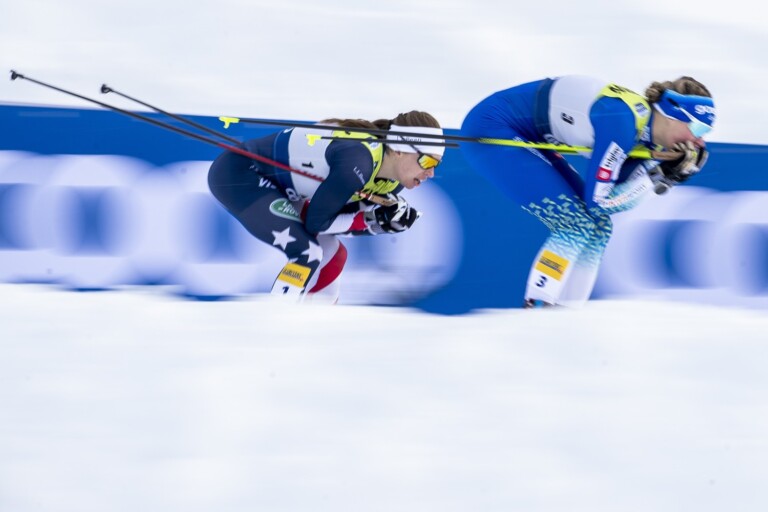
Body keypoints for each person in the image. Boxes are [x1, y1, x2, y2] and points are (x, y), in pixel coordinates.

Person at [460, 75, 715, 308]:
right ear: (672, 114)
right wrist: (657, 177)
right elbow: (599, 201)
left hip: (529, 134)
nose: (700, 141)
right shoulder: (622, 121)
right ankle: (537, 310)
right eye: (699, 129)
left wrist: (663, 175)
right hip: (493, 127)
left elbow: (617, 196)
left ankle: (569, 313)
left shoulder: (645, 138)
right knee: (575, 224)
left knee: (599, 227)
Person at [207, 111, 444, 303]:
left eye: (437, 164)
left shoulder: (393, 181)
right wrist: (372, 221)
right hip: (241, 174)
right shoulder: (358, 160)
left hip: (282, 187)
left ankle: (320, 327)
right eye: (427, 161)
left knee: (333, 254)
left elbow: (335, 217)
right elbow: (318, 222)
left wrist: (380, 222)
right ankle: (276, 318)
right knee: (307, 252)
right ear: (400, 149)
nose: (431, 173)